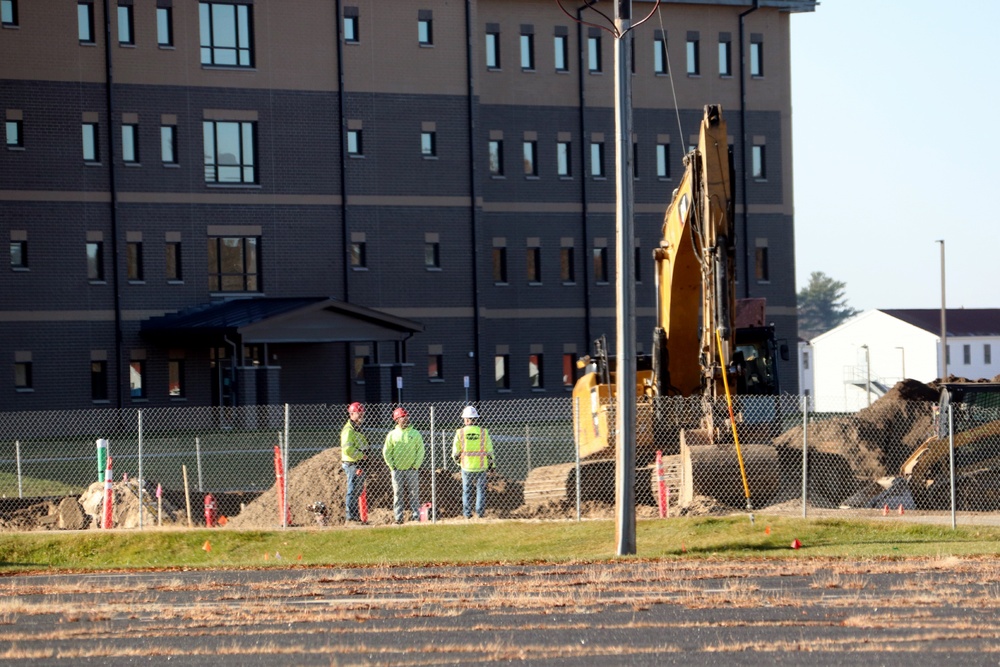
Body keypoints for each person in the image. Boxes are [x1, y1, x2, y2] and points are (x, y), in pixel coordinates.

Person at [383, 407, 425, 524]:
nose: (405, 419)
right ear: (397, 419)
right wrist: (392, 466)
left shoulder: (415, 434)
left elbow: (420, 450)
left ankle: (416, 517)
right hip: (397, 470)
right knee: (398, 494)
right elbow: (387, 452)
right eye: (402, 417)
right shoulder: (392, 435)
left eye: (406, 416)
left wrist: (415, 466)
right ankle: (398, 518)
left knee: (414, 494)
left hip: (412, 469)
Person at [452, 405, 494, 519]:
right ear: (476, 419)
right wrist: (492, 465)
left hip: (466, 467)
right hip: (481, 466)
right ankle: (480, 513)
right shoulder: (483, 432)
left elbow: (455, 452)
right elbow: (489, 451)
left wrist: (459, 463)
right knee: (480, 490)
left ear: (465, 420)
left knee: (467, 490)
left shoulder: (460, 432)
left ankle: (467, 514)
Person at [340, 402, 369, 524]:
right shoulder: (349, 430)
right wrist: (362, 455)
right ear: (351, 414)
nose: (361, 415)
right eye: (359, 413)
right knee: (352, 490)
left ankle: (355, 516)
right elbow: (347, 449)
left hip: (359, 463)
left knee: (357, 490)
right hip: (352, 463)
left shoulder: (357, 428)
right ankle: (350, 517)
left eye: (362, 413)